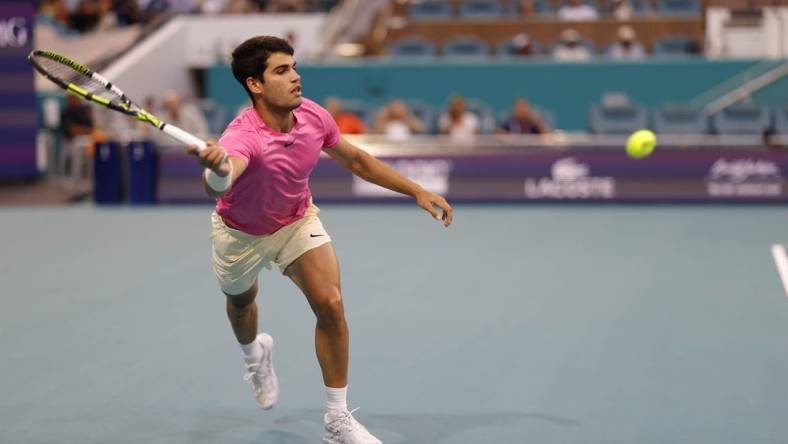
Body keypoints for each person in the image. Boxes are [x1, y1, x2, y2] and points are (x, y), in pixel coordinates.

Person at [186, 36, 453, 444]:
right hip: (241, 234)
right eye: (281, 70)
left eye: (293, 67)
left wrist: (415, 190)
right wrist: (217, 169)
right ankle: (254, 355)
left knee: (330, 304)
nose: (295, 77)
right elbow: (219, 182)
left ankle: (337, 419)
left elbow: (357, 160)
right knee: (241, 303)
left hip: (296, 220)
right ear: (255, 85)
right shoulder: (242, 136)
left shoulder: (313, 116)